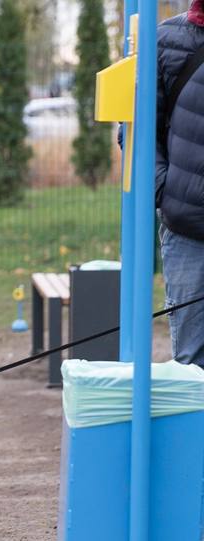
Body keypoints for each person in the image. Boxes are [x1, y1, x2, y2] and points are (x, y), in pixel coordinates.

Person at [158, 4, 204, 367]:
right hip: (188, 233)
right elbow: (137, 133)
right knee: (191, 363)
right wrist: (167, 194)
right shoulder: (168, 41)